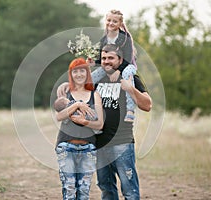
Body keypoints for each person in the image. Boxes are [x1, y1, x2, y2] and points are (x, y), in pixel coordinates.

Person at [57, 44, 152, 200]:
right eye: (104, 58)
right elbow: (80, 87)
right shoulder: (96, 78)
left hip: (122, 142)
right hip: (99, 143)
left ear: (120, 60)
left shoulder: (129, 77)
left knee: (129, 189)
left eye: (111, 58)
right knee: (106, 188)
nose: (107, 61)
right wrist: (66, 84)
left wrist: (131, 89)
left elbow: (147, 105)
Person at [54, 57, 104, 200]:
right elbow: (59, 116)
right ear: (71, 74)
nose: (79, 74)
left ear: (87, 73)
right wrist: (76, 105)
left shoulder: (95, 95)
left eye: (82, 70)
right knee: (69, 189)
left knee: (83, 191)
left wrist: (85, 122)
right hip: (66, 147)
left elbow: (100, 124)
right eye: (75, 71)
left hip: (88, 148)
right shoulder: (65, 93)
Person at [88, 9, 138, 122]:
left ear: (120, 24)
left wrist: (118, 71)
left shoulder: (125, 38)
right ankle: (91, 108)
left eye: (114, 21)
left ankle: (130, 110)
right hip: (110, 65)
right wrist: (94, 62)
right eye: (109, 20)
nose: (111, 23)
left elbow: (128, 58)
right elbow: (102, 58)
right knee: (91, 78)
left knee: (127, 75)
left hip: (126, 65)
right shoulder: (104, 39)